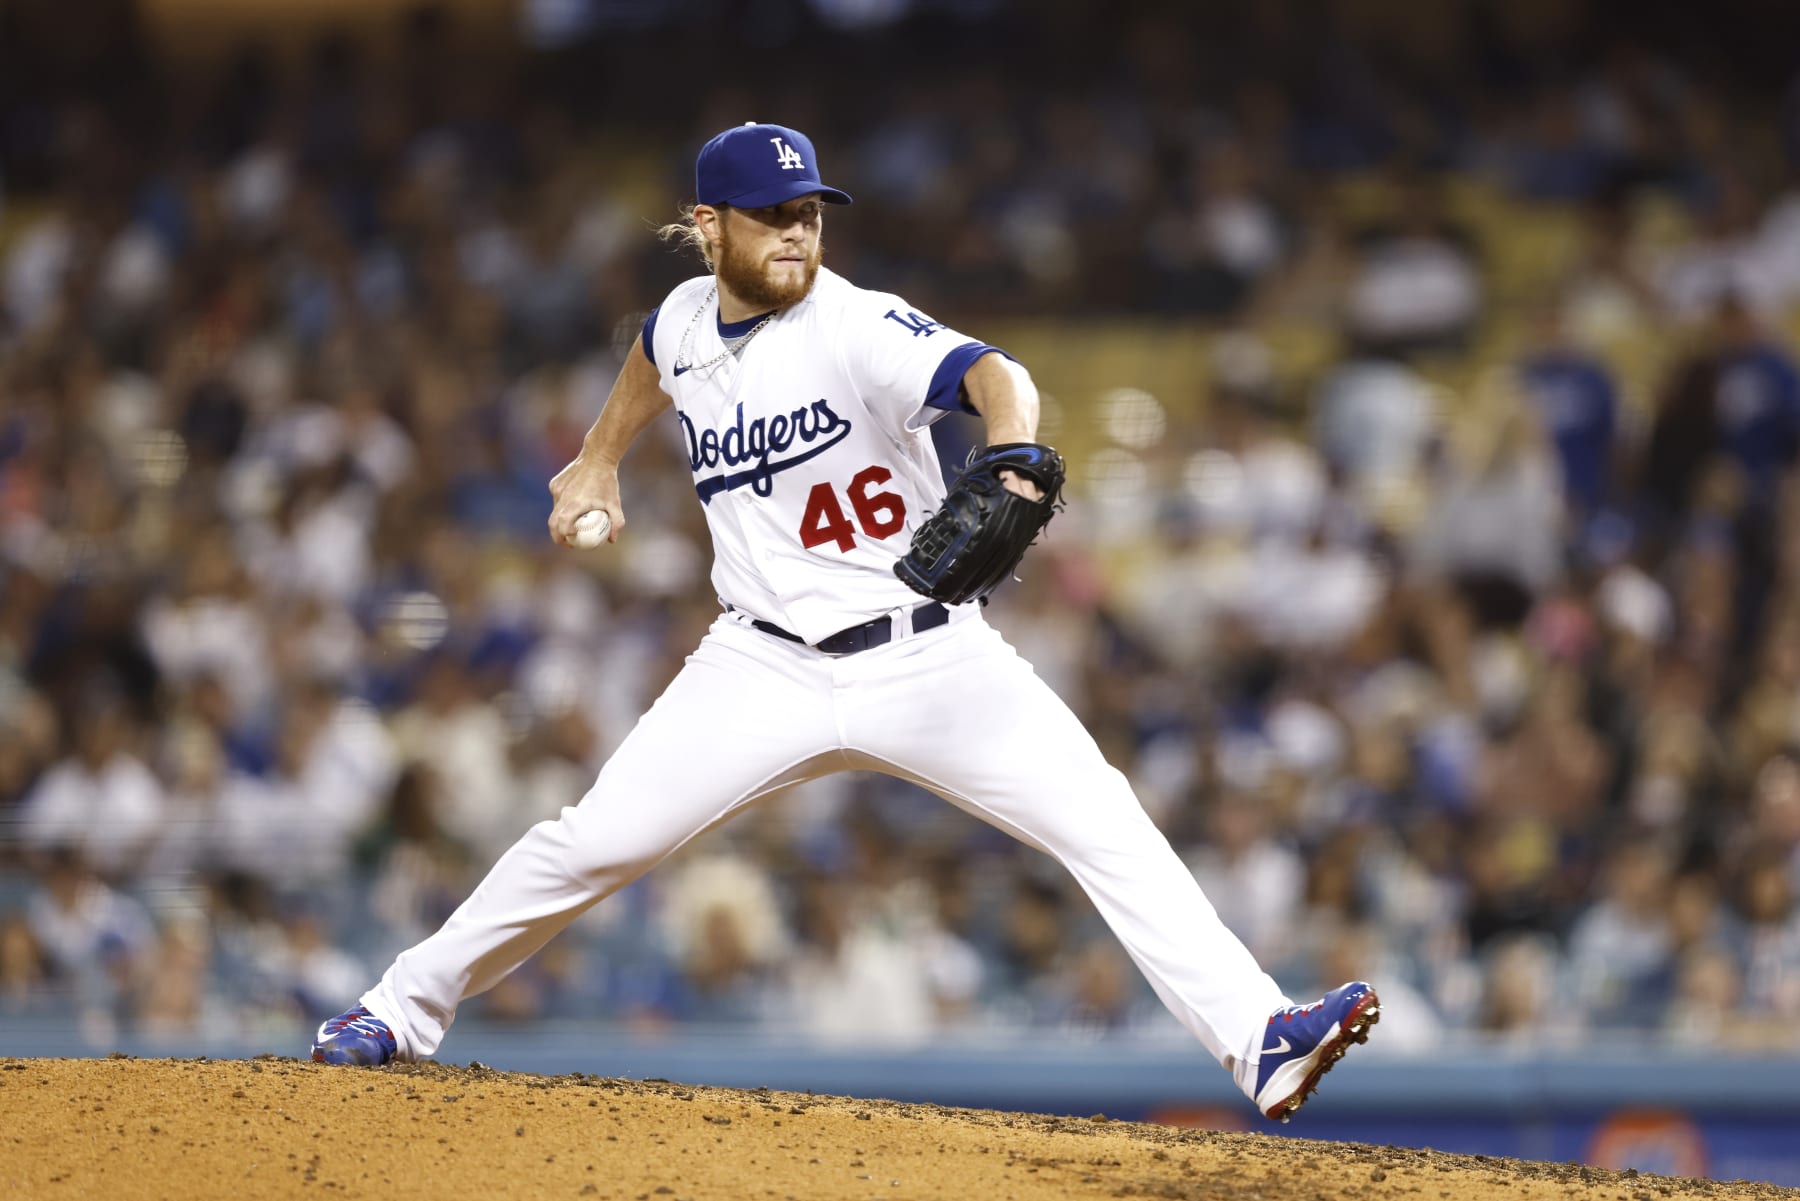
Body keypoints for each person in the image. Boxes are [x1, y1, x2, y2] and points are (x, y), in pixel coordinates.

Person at [309, 122, 1379, 1121]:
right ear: (710, 228)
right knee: (589, 842)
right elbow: (651, 355)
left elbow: (994, 374)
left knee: (1100, 817)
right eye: (774, 215)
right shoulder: (686, 317)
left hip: (924, 653)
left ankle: (1258, 1038)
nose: (798, 232)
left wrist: (1009, 447)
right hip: (758, 665)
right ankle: (397, 1010)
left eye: (810, 212)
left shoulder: (853, 322)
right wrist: (597, 458)